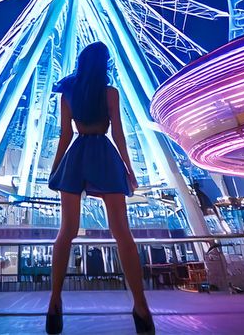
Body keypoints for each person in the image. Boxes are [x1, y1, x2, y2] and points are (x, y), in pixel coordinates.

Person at [44, 42, 155, 335]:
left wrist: (56, 168)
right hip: (104, 155)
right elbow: (117, 132)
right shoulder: (110, 93)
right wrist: (129, 169)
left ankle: (54, 302)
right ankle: (141, 307)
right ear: (103, 65)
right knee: (122, 233)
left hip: (78, 154)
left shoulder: (68, 92)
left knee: (66, 231)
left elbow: (65, 134)